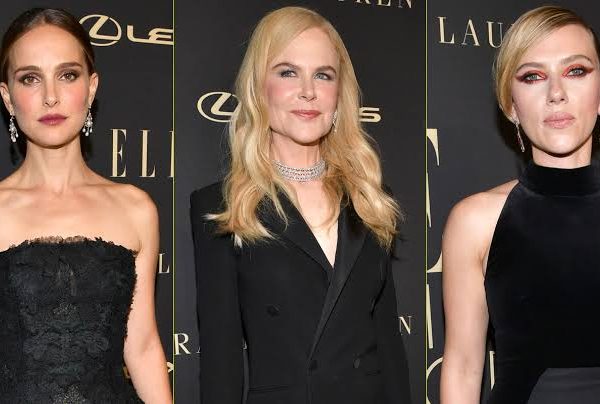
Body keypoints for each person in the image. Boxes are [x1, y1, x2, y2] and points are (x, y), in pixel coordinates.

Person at [191, 6, 410, 404]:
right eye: (288, 72)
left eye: (323, 75)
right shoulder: (224, 207)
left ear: (339, 94)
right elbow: (221, 361)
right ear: (259, 88)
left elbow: (388, 346)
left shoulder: (371, 199)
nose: (308, 91)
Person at [0, 8, 171, 403]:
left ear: (91, 89)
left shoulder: (136, 209)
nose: (51, 96)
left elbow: (143, 346)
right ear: (8, 98)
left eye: (67, 75)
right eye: (30, 78)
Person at [440, 6, 600, 404]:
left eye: (576, 71)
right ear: (511, 105)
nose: (556, 93)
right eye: (533, 76)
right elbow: (463, 367)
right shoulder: (476, 220)